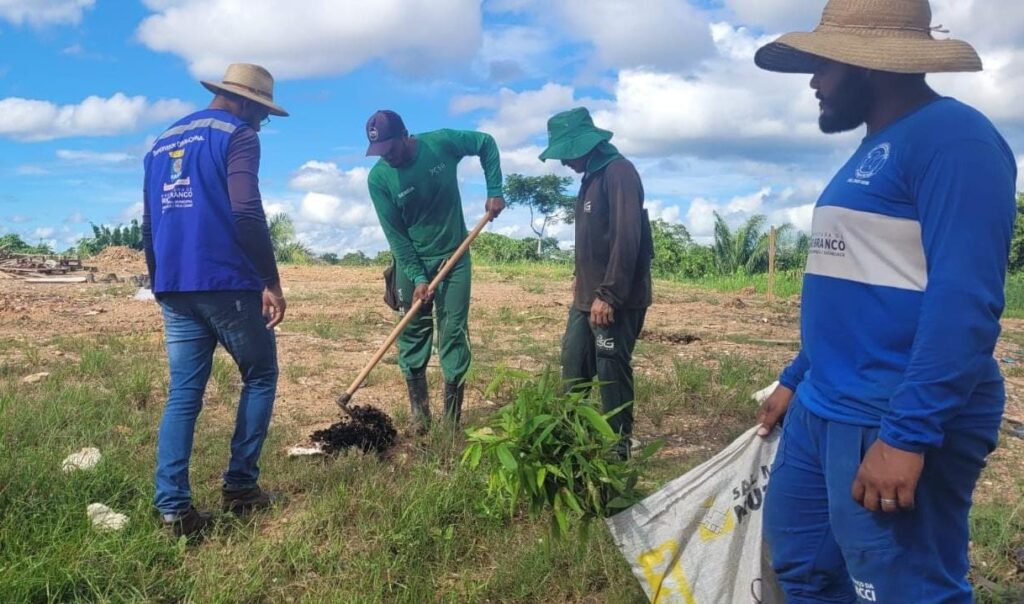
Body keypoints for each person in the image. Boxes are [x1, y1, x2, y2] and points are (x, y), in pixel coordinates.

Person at [752, 1, 1017, 601]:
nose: (814, 83)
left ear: (868, 66)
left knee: (904, 589)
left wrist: (908, 435)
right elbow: (851, 287)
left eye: (824, 67)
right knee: (804, 568)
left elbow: (965, 301)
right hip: (827, 403)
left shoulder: (956, 141)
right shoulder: (874, 149)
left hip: (889, 411)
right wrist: (797, 377)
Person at [143, 63, 289, 540]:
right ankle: (241, 487)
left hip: (175, 283)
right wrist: (271, 280)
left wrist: (160, 279)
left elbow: (149, 224)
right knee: (261, 374)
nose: (261, 123)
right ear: (245, 102)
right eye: (261, 113)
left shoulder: (162, 140)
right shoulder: (238, 136)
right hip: (227, 282)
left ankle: (174, 510)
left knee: (183, 393)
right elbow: (246, 210)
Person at [365, 110, 505, 430]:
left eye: (391, 148)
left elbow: (486, 143)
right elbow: (397, 238)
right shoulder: (379, 180)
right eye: (380, 152)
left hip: (453, 255)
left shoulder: (440, 144)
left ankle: (451, 420)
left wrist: (494, 190)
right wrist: (417, 278)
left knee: (453, 331)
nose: (387, 157)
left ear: (405, 135)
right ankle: (420, 414)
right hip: (411, 259)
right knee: (412, 332)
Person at [538, 107, 653, 460]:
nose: (562, 162)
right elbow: (593, 241)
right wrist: (580, 281)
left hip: (615, 299)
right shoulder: (590, 178)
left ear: (582, 145)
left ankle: (618, 449)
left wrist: (610, 294)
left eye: (564, 153)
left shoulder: (619, 173)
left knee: (610, 370)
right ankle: (574, 439)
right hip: (587, 298)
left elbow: (627, 237)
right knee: (573, 365)